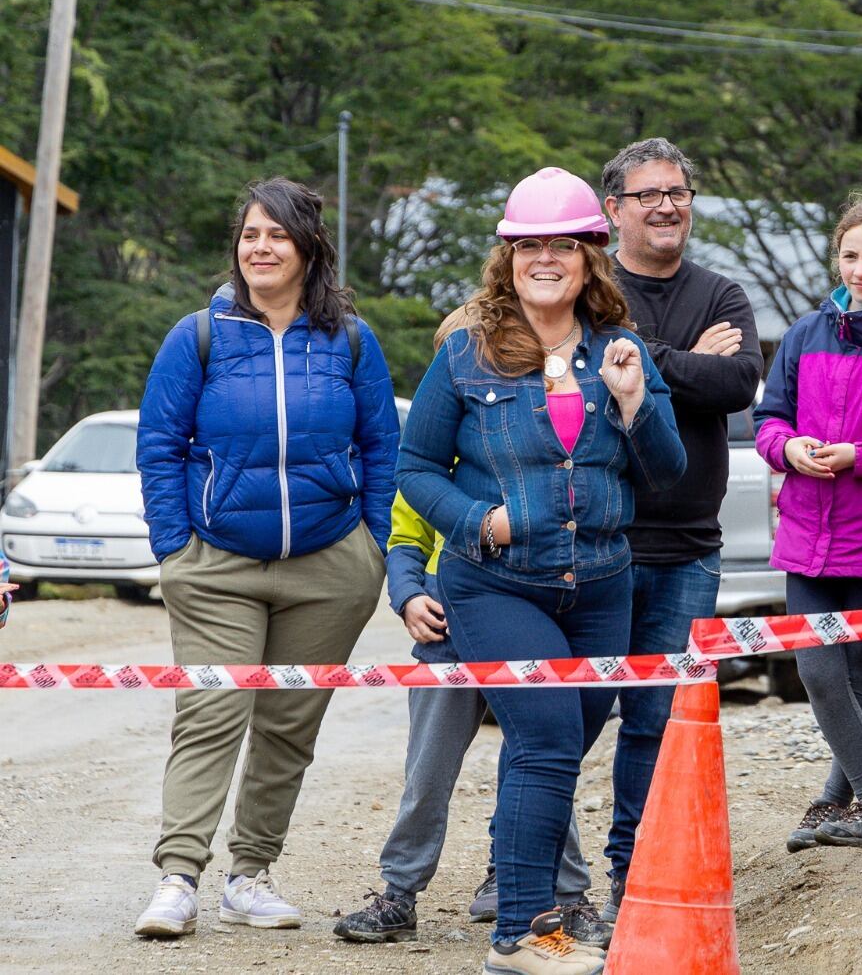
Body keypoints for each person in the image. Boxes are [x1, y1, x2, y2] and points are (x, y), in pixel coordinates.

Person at [397, 167, 685, 975]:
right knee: (549, 735)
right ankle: (523, 933)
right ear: (509, 257)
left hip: (601, 587)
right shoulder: (466, 354)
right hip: (495, 583)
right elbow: (415, 467)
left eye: (563, 244)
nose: (546, 258)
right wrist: (475, 521)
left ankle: (516, 887)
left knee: (554, 744)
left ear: (593, 255)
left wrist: (636, 402)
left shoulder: (619, 352)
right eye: (530, 246)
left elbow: (666, 471)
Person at [134, 177, 399, 937]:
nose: (260, 247)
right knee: (211, 714)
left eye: (276, 235)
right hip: (216, 563)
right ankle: (179, 876)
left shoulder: (350, 338)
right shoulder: (200, 335)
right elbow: (159, 446)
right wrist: (174, 549)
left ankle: (250, 874)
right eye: (250, 235)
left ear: (308, 246)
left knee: (289, 726)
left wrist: (372, 549)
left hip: (329, 565)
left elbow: (383, 446)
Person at [332, 308, 600, 949]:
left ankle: (555, 891)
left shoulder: (532, 447)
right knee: (428, 770)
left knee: (538, 758)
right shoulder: (427, 460)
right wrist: (407, 597)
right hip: (446, 637)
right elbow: (402, 539)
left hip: (522, 626)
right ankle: (398, 891)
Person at [599, 137, 763, 920]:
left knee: (657, 726)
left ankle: (633, 873)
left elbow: (737, 382)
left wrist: (649, 362)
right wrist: (681, 361)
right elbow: (595, 361)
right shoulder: (595, 289)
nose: (667, 206)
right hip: (595, 543)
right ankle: (531, 878)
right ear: (613, 210)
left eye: (678, 192)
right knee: (562, 721)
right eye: (648, 194)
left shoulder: (723, 293)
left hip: (689, 548)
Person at [754, 198, 862, 852]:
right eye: (850, 255)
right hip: (804, 532)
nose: (861, 269)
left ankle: (839, 800)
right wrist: (787, 449)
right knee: (818, 671)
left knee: (854, 674)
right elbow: (769, 418)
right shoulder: (803, 333)